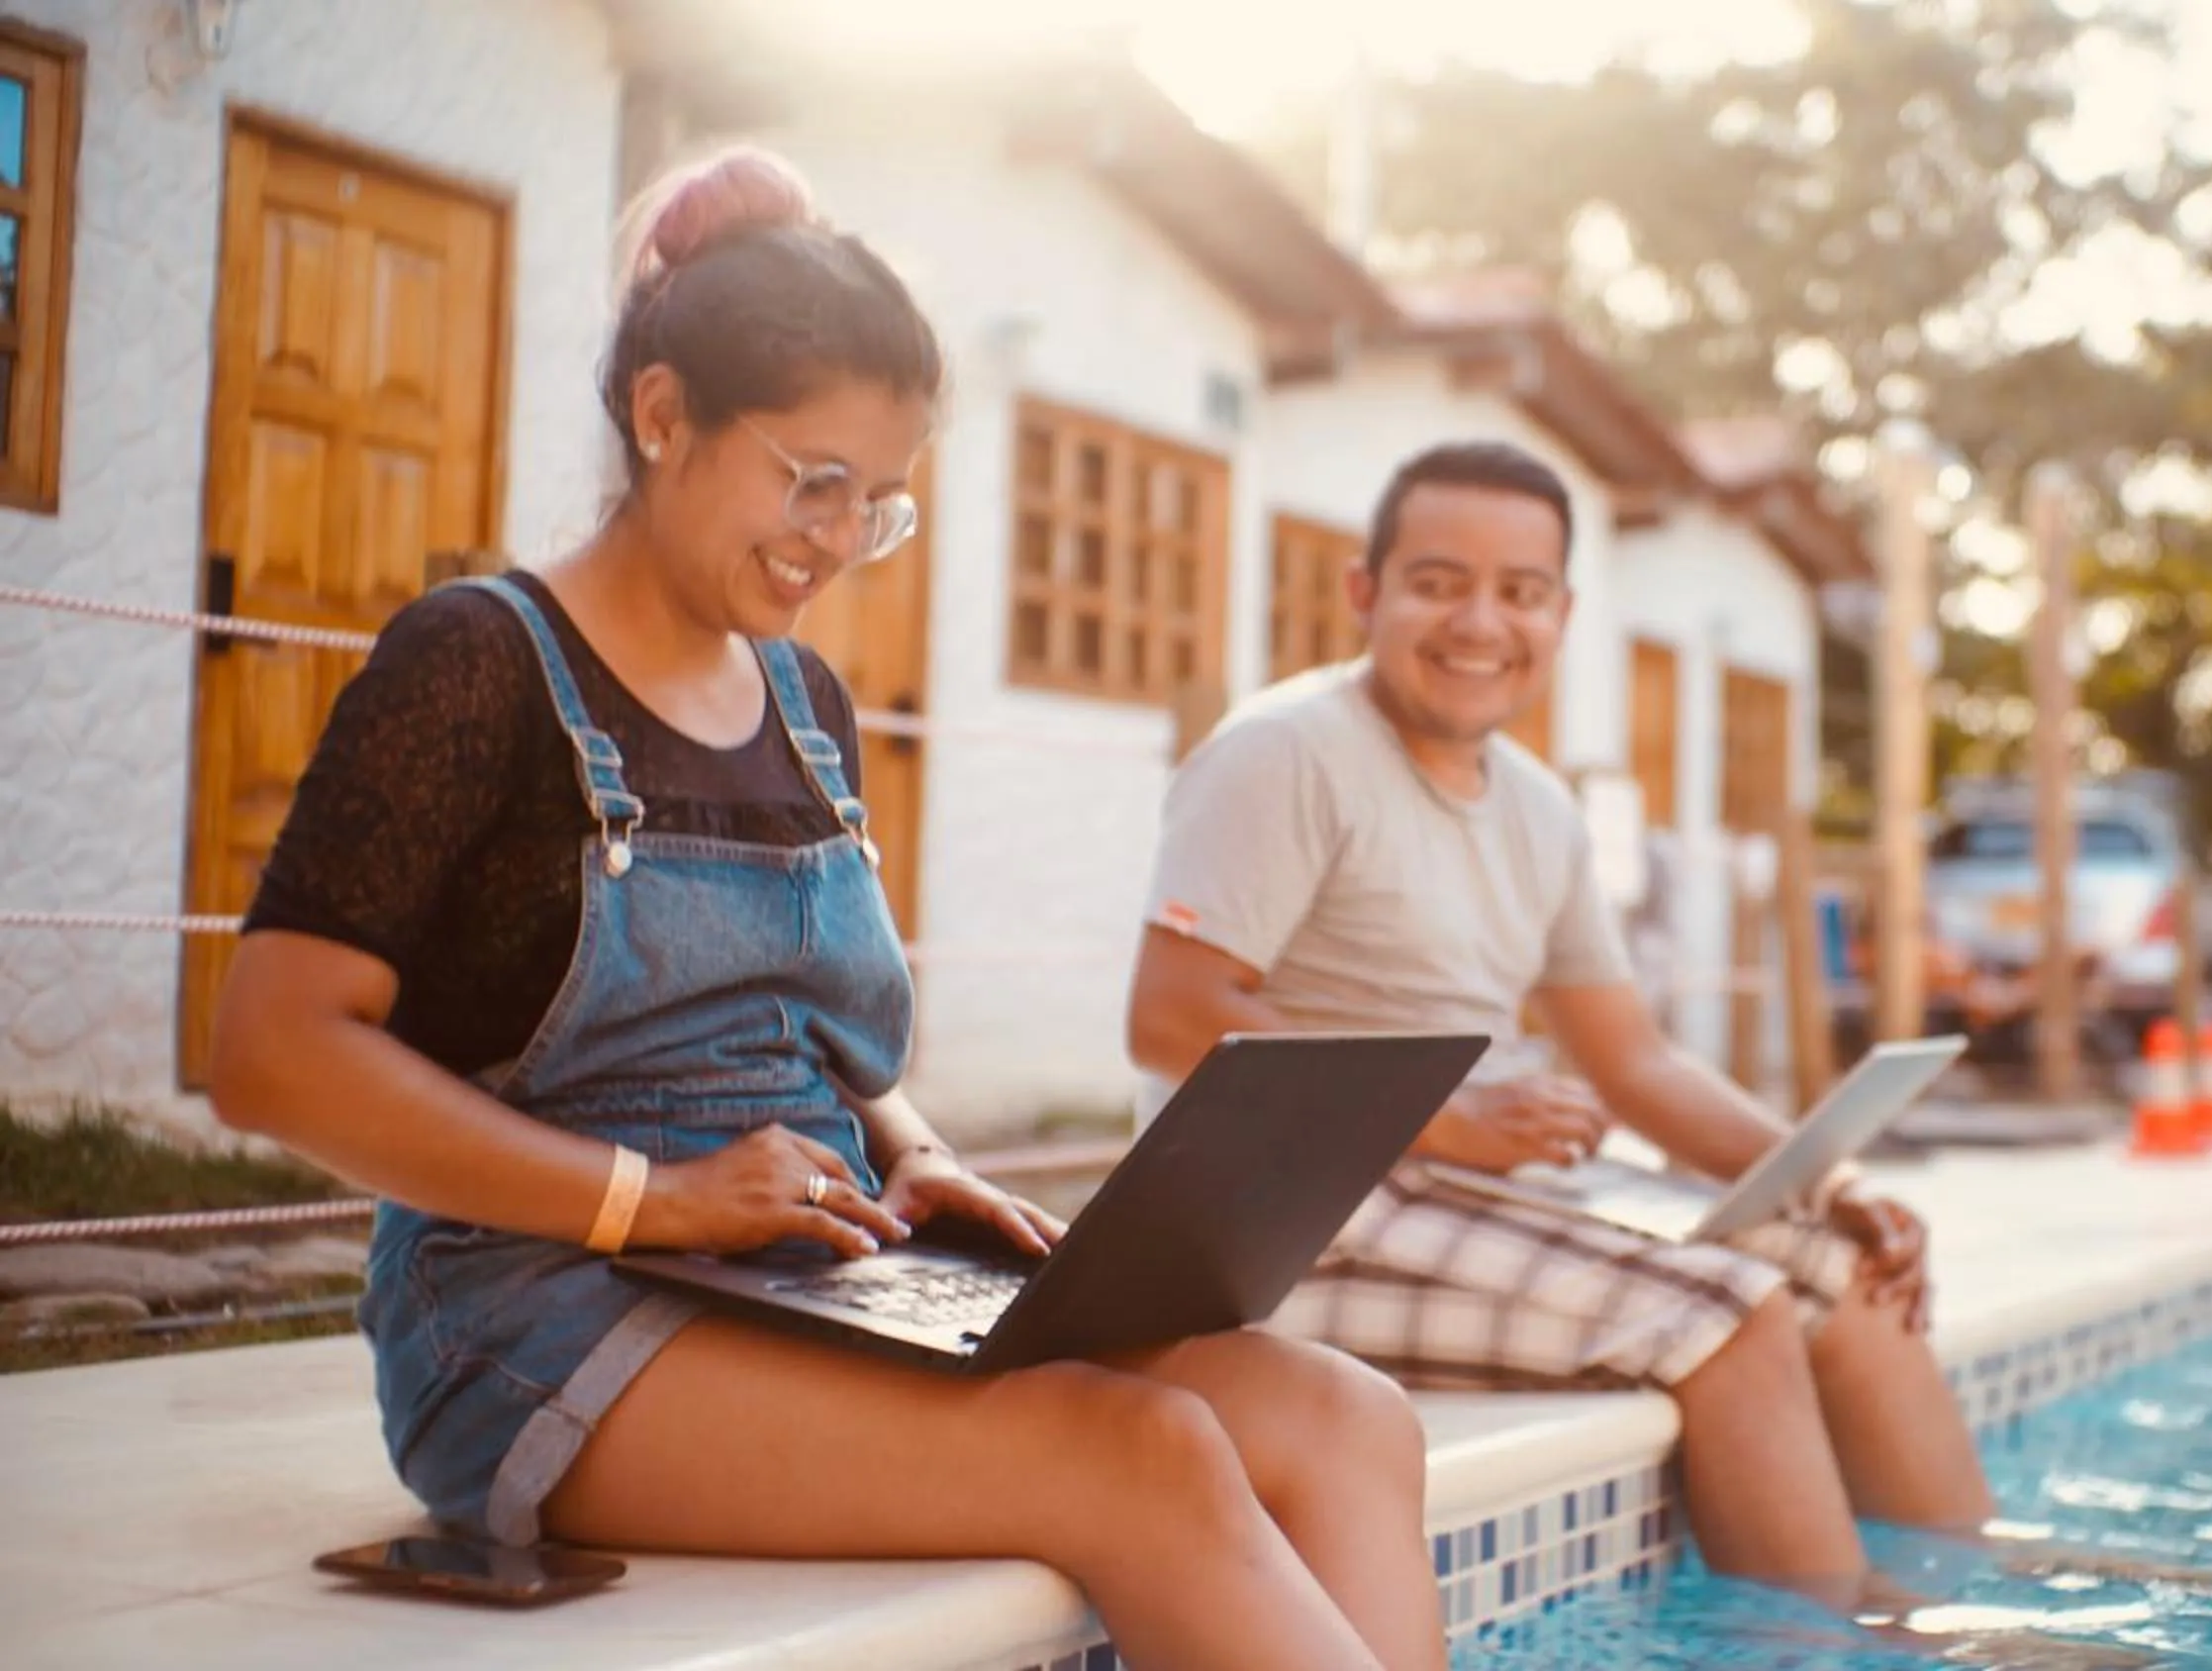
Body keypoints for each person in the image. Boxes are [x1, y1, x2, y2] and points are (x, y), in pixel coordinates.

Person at [209, 148, 1442, 1671]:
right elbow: (270, 1055)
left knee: (1345, 1416)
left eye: (882, 503)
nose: (841, 540)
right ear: (663, 416)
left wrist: (915, 1158)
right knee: (1148, 1457)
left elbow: (816, 1031)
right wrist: (649, 1201)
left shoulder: (806, 703)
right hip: (533, 1315)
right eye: (814, 483)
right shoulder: (476, 663)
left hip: (812, 1269)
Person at [1121, 440, 2001, 1608]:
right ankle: (1821, 1647)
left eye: (1521, 591)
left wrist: (1819, 1179)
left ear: (1563, 612)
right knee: (1731, 1320)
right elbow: (1172, 1013)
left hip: (1460, 1196)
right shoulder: (1285, 751)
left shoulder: (1540, 807)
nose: (1482, 620)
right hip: (1290, 1229)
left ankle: (1965, 1613)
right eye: (1439, 580)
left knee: (1848, 1271)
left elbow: (1631, 1058)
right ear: (1363, 590)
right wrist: (1454, 1120)